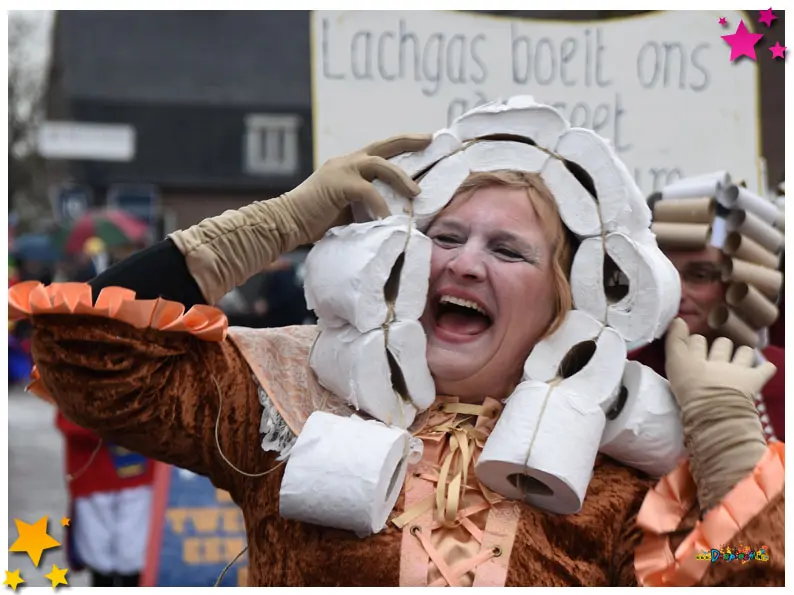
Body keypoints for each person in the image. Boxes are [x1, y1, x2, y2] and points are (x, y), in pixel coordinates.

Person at [10, 123, 783, 586]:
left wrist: (726, 438)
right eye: (444, 237)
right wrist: (272, 224)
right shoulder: (293, 396)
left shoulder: (610, 476)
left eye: (506, 249)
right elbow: (84, 357)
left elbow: (757, 581)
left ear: (560, 303)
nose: (464, 262)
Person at [630, 191, 785, 443]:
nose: (676, 291)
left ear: (738, 283)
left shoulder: (780, 376)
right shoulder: (625, 373)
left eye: (699, 275)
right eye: (665, 273)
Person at [56, 412, 154, 587]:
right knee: (97, 550)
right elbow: (67, 420)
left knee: (134, 552)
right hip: (94, 476)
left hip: (138, 475)